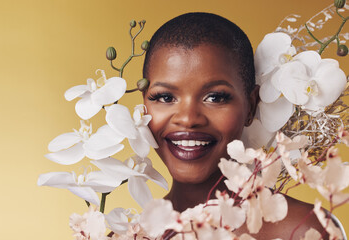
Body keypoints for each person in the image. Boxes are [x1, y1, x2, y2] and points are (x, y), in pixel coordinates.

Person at [142, 12, 339, 239]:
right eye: (165, 97)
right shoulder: (127, 234)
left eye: (215, 97)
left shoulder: (303, 230)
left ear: (251, 106)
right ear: (143, 105)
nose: (188, 118)